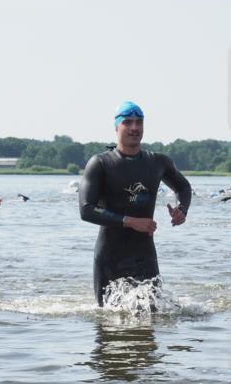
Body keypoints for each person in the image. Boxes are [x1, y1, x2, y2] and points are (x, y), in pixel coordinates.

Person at [79, 101, 192, 307]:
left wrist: (181, 210)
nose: (134, 128)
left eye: (139, 122)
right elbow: (86, 209)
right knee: (107, 323)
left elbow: (183, 188)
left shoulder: (157, 162)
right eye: (128, 122)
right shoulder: (101, 163)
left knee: (151, 316)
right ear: (116, 127)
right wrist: (130, 221)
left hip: (144, 257)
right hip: (110, 259)